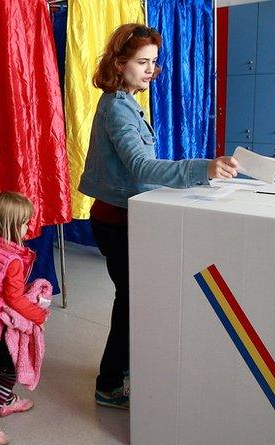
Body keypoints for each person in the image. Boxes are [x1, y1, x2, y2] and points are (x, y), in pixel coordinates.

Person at [79, 24, 239, 410]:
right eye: (142, 62)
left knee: (133, 299)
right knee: (131, 302)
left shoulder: (127, 101)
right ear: (119, 64)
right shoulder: (118, 106)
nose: (151, 69)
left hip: (122, 216)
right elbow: (140, 166)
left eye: (154, 62)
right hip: (118, 221)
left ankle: (123, 370)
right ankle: (110, 384)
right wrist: (204, 169)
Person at [0, 191, 50, 445]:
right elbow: (13, 299)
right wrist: (38, 315)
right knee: (9, 374)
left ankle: (6, 401)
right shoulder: (12, 259)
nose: (29, 226)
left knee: (4, 369)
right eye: (25, 222)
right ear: (12, 225)